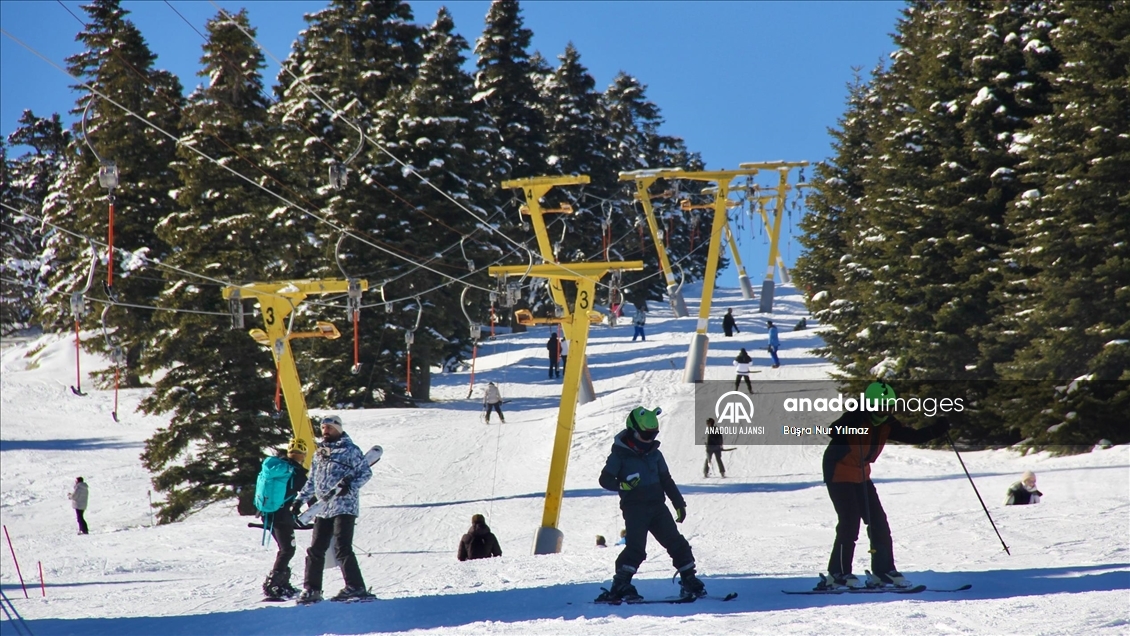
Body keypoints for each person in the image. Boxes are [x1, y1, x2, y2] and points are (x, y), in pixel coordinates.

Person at [820, 382, 951, 590]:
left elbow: (911, 436)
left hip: (861, 474)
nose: (885, 411)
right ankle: (838, 573)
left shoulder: (886, 423)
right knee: (849, 521)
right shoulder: (856, 416)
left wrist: (937, 430)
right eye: (880, 406)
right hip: (839, 471)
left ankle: (883, 571)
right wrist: (854, 422)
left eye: (889, 406)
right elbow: (833, 430)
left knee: (878, 521)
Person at [595, 406, 707, 603]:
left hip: (657, 507)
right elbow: (604, 480)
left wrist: (678, 502)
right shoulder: (620, 455)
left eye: (653, 434)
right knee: (636, 548)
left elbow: (666, 480)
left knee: (677, 543)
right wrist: (623, 484)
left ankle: (689, 579)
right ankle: (621, 584)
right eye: (645, 434)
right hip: (635, 509)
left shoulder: (655, 454)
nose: (649, 439)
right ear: (633, 431)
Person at [295, 415, 374, 604]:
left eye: (329, 427)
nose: (325, 431)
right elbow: (312, 480)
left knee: (342, 547)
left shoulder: (350, 450)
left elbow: (365, 473)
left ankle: (355, 587)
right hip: (323, 509)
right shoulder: (319, 452)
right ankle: (311, 589)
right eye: (323, 427)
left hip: (344, 507)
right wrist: (299, 501)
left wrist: (351, 487)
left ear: (338, 428)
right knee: (315, 549)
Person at [262, 438, 310, 600]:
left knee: (285, 549)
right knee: (287, 549)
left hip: (267, 514)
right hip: (282, 516)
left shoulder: (276, 467)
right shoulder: (297, 473)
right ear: (303, 455)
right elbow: (309, 495)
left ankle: (281, 583)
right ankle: (274, 585)